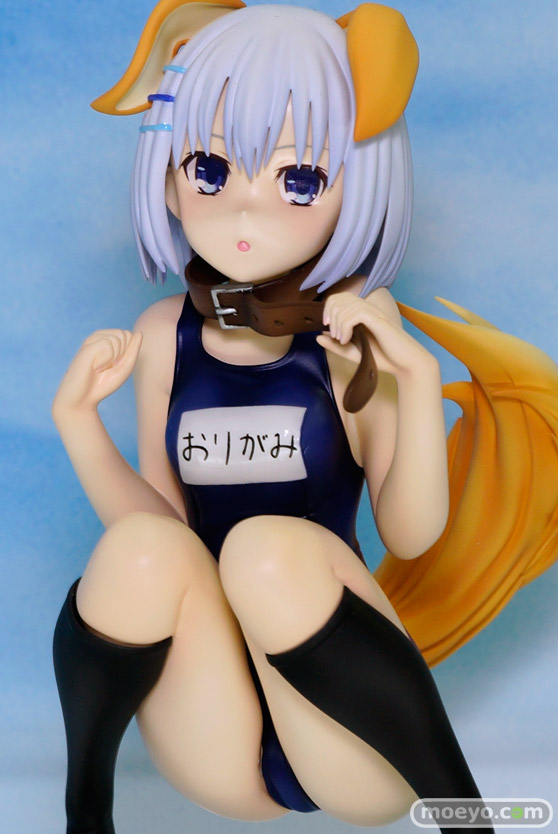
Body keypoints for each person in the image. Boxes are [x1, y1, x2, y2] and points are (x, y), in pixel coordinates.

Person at [52, 3, 558, 833]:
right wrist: (78, 423)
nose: (244, 212)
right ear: (169, 176)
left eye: (298, 181)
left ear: (357, 187)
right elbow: (164, 537)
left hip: (355, 732)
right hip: (211, 722)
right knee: (137, 548)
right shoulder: (163, 337)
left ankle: (465, 814)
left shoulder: (354, 338)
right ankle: (85, 808)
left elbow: (411, 536)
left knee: (265, 549)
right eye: (210, 168)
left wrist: (415, 383)